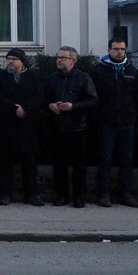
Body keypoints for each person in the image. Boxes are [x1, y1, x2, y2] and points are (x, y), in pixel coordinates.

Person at [88, 38, 138, 208]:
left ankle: (126, 194)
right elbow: (93, 98)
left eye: (123, 49)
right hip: (106, 122)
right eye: (116, 49)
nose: (120, 52)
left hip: (127, 121)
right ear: (109, 49)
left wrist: (137, 120)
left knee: (127, 158)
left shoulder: (132, 70)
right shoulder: (98, 71)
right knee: (105, 159)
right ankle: (104, 194)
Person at [45, 46, 98, 208]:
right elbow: (43, 98)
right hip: (58, 128)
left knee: (79, 165)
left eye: (63, 58)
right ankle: (61, 195)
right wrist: (51, 105)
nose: (59, 60)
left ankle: (79, 196)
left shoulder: (84, 78)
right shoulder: (52, 78)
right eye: (58, 57)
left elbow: (93, 100)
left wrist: (73, 106)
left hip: (78, 128)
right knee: (59, 165)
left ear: (73, 61)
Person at [0, 48, 45, 206]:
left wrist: (25, 108)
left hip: (27, 125)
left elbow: (39, 96)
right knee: (5, 162)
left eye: (14, 59)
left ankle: (31, 194)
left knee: (29, 162)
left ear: (22, 61)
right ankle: (5, 194)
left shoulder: (32, 77)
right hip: (7, 125)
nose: (10, 62)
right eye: (8, 59)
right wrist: (13, 108)